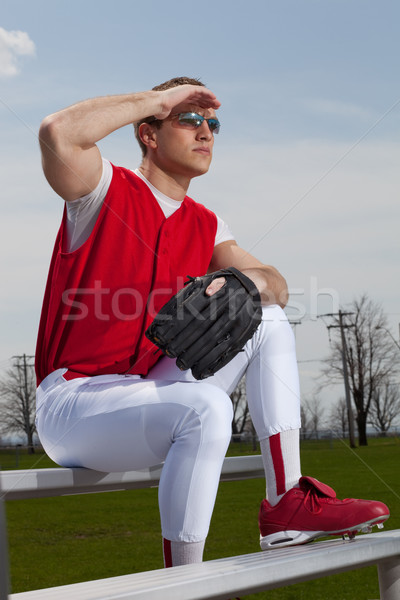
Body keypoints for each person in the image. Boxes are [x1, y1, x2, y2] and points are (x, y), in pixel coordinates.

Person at [35, 76, 389, 568]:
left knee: (265, 319)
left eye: (213, 122)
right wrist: (159, 99)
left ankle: (287, 503)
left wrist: (248, 285)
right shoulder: (102, 188)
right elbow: (58, 132)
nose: (206, 131)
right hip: (72, 404)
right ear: (148, 133)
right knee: (205, 406)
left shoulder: (205, 223)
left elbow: (276, 284)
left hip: (146, 395)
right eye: (189, 118)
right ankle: (183, 580)